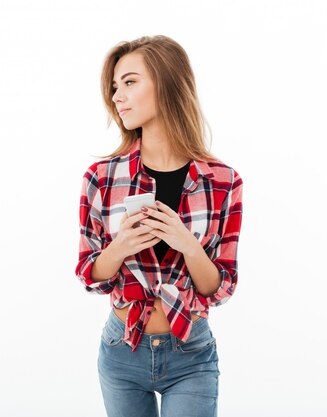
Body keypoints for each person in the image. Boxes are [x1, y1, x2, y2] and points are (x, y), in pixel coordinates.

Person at [75, 35, 244, 417]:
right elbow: (90, 276)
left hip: (191, 354)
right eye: (115, 87)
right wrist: (120, 246)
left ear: (167, 83)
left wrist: (188, 244)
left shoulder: (223, 181)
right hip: (121, 351)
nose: (117, 96)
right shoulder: (100, 178)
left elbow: (221, 288)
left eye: (130, 82)